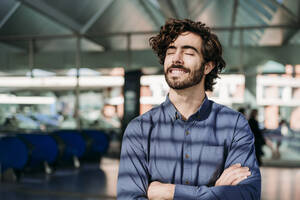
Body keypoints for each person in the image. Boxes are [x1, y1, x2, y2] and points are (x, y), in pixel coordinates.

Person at [117, 19, 261, 199]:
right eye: (171, 51)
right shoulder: (139, 130)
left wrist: (169, 192)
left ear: (207, 66)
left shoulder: (233, 125)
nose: (176, 58)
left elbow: (247, 194)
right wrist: (215, 192)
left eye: (188, 53)